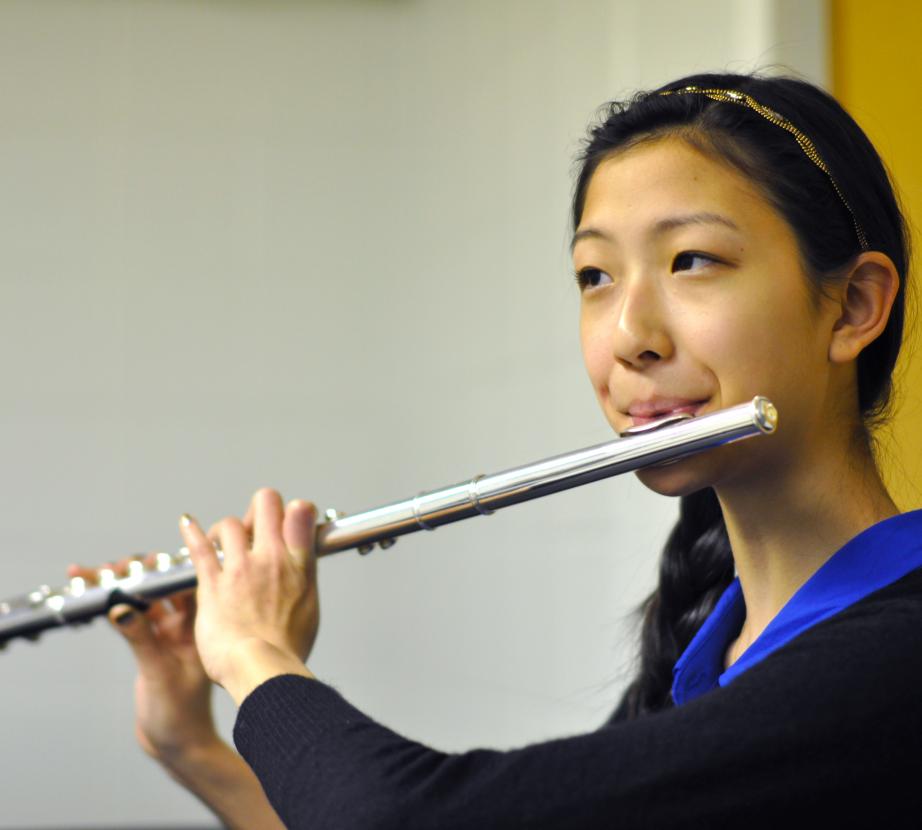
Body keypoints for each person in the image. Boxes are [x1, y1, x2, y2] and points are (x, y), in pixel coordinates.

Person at [72, 70, 920, 827]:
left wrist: (255, 656)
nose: (629, 336)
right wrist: (190, 743)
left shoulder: (894, 656)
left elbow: (402, 817)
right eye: (596, 276)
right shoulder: (711, 648)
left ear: (852, 306)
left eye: (691, 260)